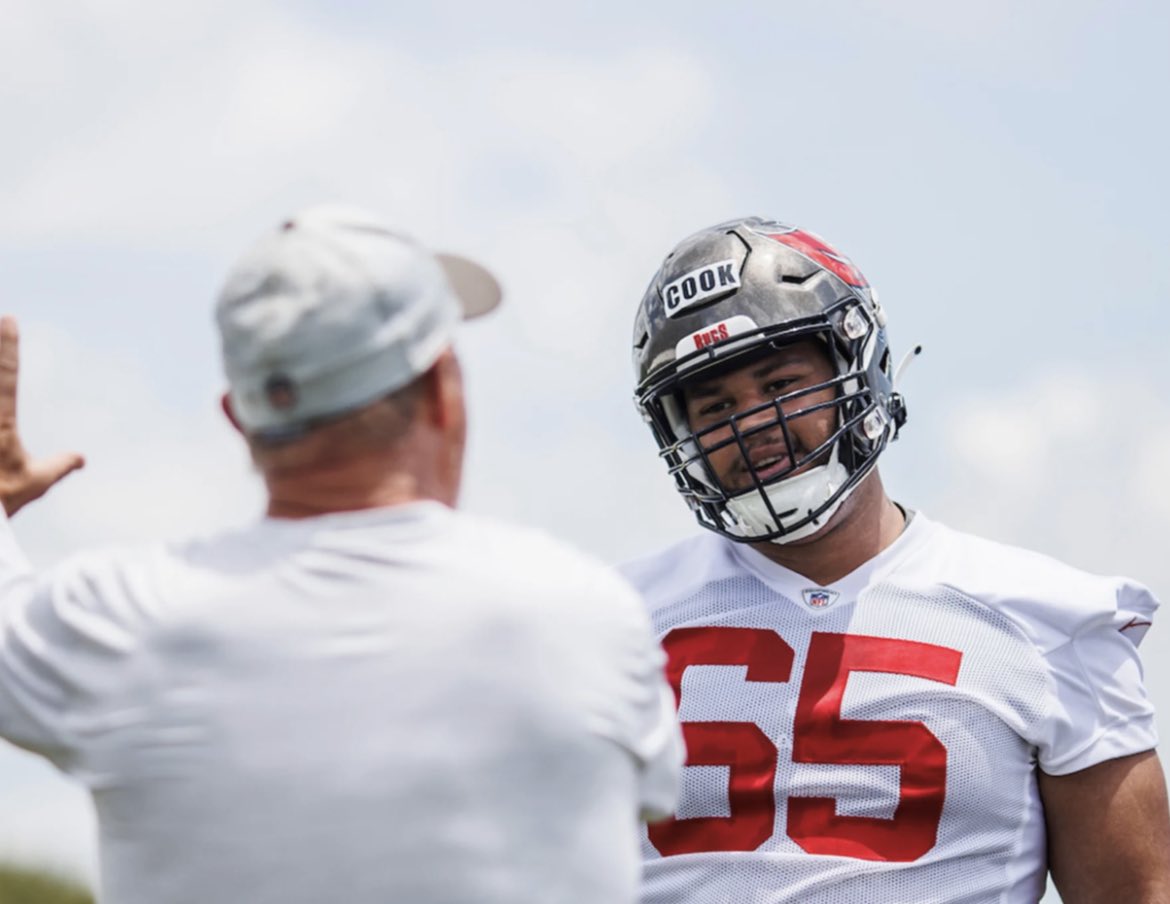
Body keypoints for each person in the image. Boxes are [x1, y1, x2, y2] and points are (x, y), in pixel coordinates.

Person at [0, 204, 683, 904]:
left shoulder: (114, 618)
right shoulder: (585, 613)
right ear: (444, 390)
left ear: (239, 419)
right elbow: (655, 799)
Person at [623, 216, 1170, 903]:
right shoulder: (606, 628)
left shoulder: (1047, 618)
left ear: (856, 364)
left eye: (781, 384)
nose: (753, 422)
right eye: (715, 405)